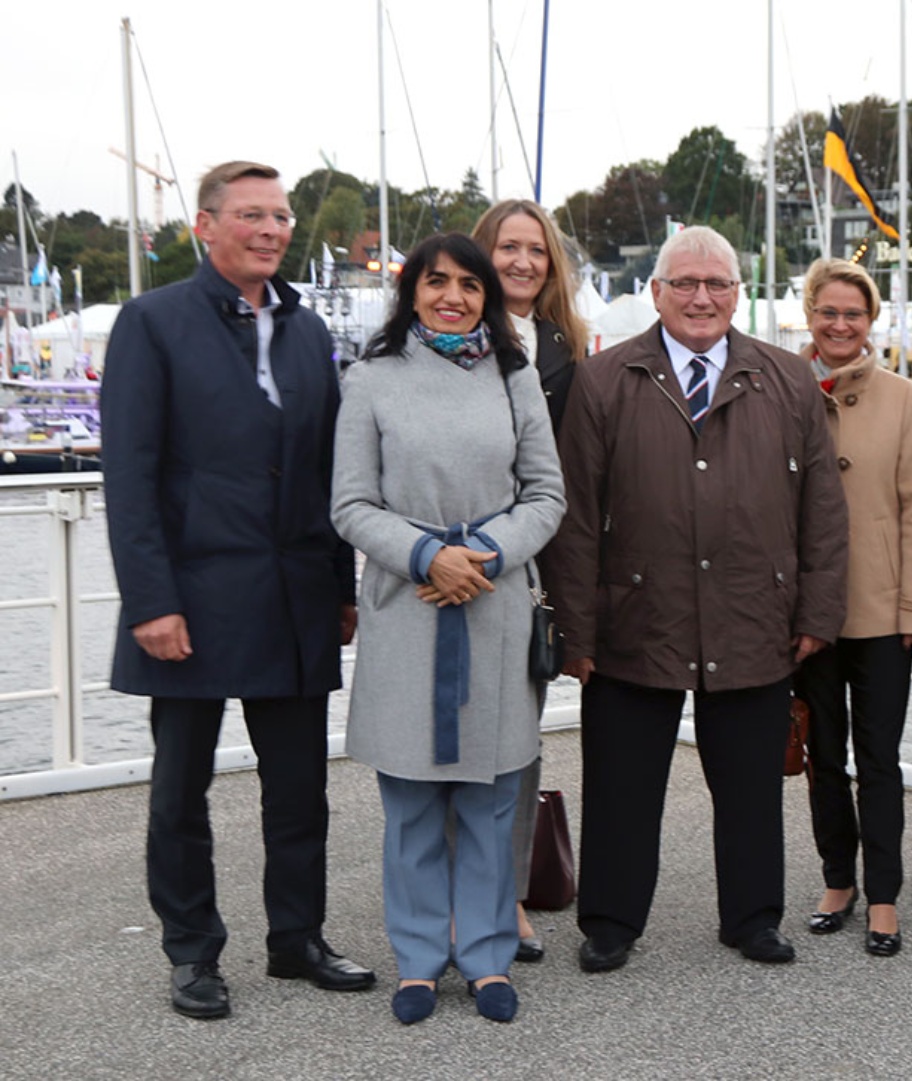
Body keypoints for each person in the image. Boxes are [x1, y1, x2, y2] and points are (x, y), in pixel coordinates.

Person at [102, 160, 375, 1020]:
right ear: (206, 226)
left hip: (294, 595)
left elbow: (330, 471)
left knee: (299, 787)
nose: (270, 229)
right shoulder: (152, 323)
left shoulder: (303, 330)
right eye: (251, 215)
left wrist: (341, 587)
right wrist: (150, 599)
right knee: (180, 790)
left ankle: (297, 938)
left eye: (281, 216)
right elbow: (130, 473)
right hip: (188, 596)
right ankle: (193, 953)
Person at [545, 226, 848, 970]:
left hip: (754, 615)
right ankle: (611, 919)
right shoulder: (605, 379)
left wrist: (817, 611)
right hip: (634, 620)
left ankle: (751, 917)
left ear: (737, 293)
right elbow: (577, 513)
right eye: (685, 283)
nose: (701, 297)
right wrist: (574, 631)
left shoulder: (788, 379)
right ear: (656, 292)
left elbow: (824, 511)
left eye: (716, 283)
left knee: (749, 786)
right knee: (621, 783)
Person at [331, 233, 565, 1024]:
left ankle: (490, 955)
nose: (454, 296)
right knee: (413, 802)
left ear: (488, 296)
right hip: (410, 608)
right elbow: (351, 504)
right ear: (413, 290)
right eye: (438, 282)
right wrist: (428, 554)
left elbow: (546, 493)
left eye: (470, 283)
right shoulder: (371, 378)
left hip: (493, 603)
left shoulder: (514, 375)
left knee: (494, 801)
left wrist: (485, 555)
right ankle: (421, 959)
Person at [793, 258, 912, 957]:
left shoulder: (905, 397)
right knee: (823, 753)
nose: (840, 324)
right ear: (810, 315)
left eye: (853, 313)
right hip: (809, 613)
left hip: (882, 610)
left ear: (870, 319)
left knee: (879, 757)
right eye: (828, 312)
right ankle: (836, 879)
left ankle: (883, 892)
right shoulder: (785, 389)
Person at [472, 198, 592, 964]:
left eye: (536, 251)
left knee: (519, 736)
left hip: (532, 566)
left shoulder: (563, 349)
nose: (522, 262)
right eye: (509, 247)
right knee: (448, 736)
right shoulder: (445, 337)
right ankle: (454, 892)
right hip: (448, 558)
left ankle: (510, 893)